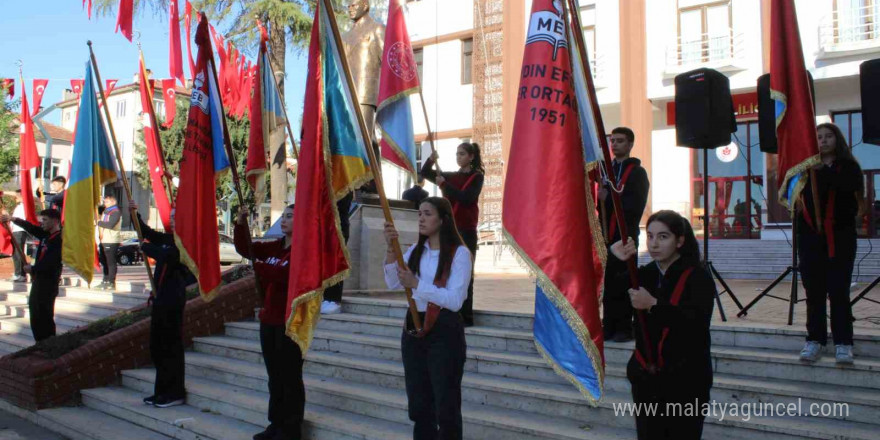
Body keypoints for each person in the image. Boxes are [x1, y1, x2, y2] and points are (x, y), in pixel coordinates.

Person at [610, 210, 715, 440]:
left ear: (680, 240)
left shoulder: (698, 277)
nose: (654, 244)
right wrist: (617, 261)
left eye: (663, 237)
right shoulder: (644, 275)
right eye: (650, 236)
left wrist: (654, 305)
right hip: (647, 379)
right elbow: (613, 304)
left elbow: (695, 326)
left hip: (686, 382)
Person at [383, 197, 471, 440]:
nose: (421, 218)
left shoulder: (459, 253)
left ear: (443, 220)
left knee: (446, 403)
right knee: (419, 403)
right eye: (419, 213)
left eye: (428, 214)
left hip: (444, 329)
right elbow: (392, 282)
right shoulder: (415, 250)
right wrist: (391, 249)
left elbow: (455, 300)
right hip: (414, 326)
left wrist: (417, 285)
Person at [234, 205, 304, 440]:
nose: (284, 220)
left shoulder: (302, 251)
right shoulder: (275, 246)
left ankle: (291, 428)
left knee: (289, 376)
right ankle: (275, 423)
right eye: (283, 216)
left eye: (290, 216)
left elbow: (283, 275)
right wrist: (241, 223)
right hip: (269, 319)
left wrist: (260, 267)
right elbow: (247, 249)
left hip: (291, 322)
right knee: (274, 377)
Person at [797, 123, 863, 365]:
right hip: (811, 240)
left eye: (828, 136)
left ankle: (843, 342)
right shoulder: (805, 171)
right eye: (819, 137)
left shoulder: (849, 167)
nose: (823, 141)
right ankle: (814, 339)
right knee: (814, 293)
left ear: (837, 140)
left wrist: (821, 172)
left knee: (838, 291)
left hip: (840, 238)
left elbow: (845, 189)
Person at [131, 204, 195, 409]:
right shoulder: (169, 238)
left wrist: (146, 247)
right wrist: (135, 214)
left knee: (170, 346)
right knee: (157, 346)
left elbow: (168, 256)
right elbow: (147, 233)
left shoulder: (186, 242)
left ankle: (174, 392)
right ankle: (161, 391)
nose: (174, 220)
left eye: (178, 217)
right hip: (159, 298)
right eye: (172, 217)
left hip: (173, 298)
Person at [421, 143, 484, 327]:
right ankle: (448, 310)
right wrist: (431, 160)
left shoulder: (476, 176)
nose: (458, 157)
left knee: (465, 272)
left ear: (471, 156)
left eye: (462, 154)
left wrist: (444, 185)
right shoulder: (451, 176)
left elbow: (466, 198)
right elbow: (425, 173)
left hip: (466, 230)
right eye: (457, 154)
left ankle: (465, 316)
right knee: (446, 270)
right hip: (449, 230)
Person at [599, 127, 650, 342]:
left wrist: (608, 197)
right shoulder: (605, 171)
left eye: (620, 141)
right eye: (613, 141)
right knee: (608, 282)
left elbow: (634, 205)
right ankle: (608, 324)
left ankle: (624, 327)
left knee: (624, 280)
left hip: (625, 235)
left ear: (630, 144)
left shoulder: (637, 173)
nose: (615, 144)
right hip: (606, 235)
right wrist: (600, 198)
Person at [1, 209, 63, 342]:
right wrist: (13, 219)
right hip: (39, 279)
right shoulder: (45, 235)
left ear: (56, 221)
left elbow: (51, 261)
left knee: (43, 314)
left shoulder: (59, 239)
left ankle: (48, 342)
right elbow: (32, 228)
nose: (42, 223)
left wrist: (33, 269)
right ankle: (40, 342)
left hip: (48, 281)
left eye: (45, 220)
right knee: (35, 312)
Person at [321, 193, 353, 315]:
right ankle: (324, 295)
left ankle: (333, 299)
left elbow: (340, 205)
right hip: (325, 227)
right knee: (325, 263)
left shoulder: (341, 182)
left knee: (335, 262)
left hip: (337, 228)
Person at [97, 194, 122, 290]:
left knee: (110, 262)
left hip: (111, 240)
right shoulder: (106, 212)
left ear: (113, 202)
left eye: (106, 202)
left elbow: (110, 225)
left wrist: (98, 222)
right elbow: (98, 208)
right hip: (104, 239)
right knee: (103, 261)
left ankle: (111, 282)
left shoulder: (115, 212)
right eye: (104, 201)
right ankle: (105, 279)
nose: (104, 203)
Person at [10, 189, 31, 282]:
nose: (15, 197)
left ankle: (21, 274)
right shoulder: (18, 207)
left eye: (17, 195)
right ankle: (17, 272)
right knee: (15, 252)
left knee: (19, 252)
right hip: (14, 231)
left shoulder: (25, 206)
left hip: (20, 231)